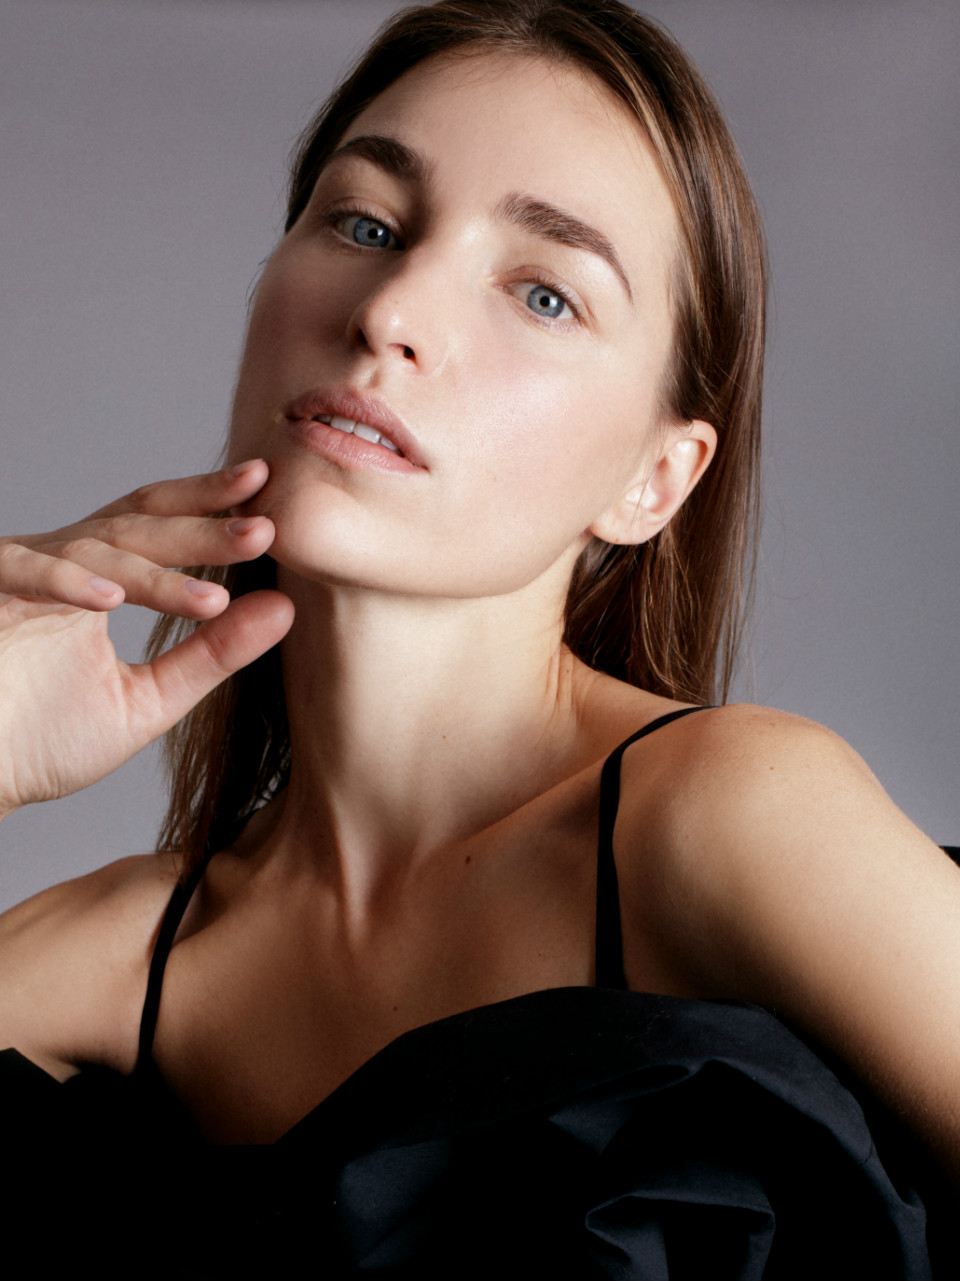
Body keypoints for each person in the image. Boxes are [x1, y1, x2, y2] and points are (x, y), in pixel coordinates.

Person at [0, 0, 956, 1275]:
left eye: (545, 293)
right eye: (365, 223)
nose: (391, 309)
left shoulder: (726, 813)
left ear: (655, 482)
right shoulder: (114, 957)